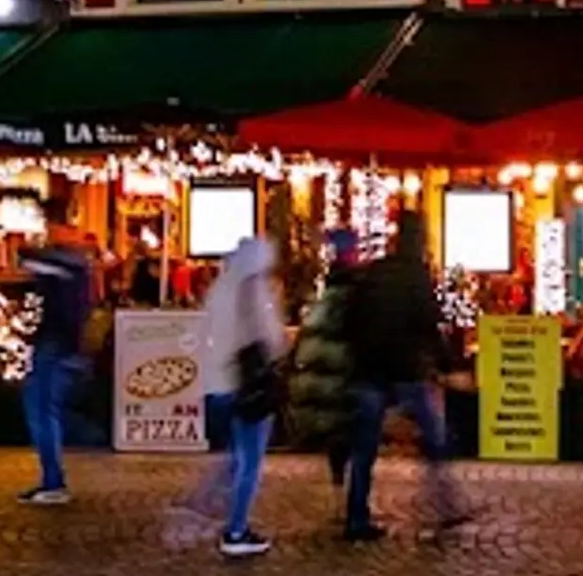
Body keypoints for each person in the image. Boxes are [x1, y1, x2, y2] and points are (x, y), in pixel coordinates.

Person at [340, 211, 471, 542]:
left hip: (369, 370)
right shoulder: (416, 276)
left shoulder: (374, 271)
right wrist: (449, 366)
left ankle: (356, 517)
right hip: (404, 371)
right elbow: (429, 325)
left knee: (365, 448)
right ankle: (445, 505)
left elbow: (349, 318)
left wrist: (357, 354)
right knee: (434, 438)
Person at [195, 232, 289, 558]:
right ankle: (235, 529)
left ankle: (206, 504)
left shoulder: (219, 286)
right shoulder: (254, 290)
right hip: (248, 385)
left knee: (236, 456)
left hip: (217, 384)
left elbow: (206, 334)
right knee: (249, 460)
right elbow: (272, 337)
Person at [14, 218, 96, 507]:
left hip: (56, 345)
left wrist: (25, 250)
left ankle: (54, 480)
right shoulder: (76, 266)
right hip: (62, 345)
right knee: (45, 408)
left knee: (41, 409)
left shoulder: (68, 264)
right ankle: (52, 477)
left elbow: (29, 261)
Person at [286, 228, 365, 485]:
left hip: (327, 378)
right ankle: (350, 497)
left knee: (337, 436)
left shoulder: (322, 304)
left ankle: (338, 487)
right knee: (349, 433)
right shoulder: (351, 300)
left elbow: (308, 340)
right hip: (343, 374)